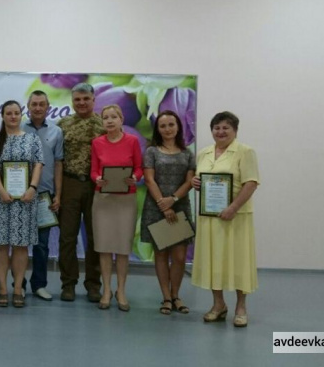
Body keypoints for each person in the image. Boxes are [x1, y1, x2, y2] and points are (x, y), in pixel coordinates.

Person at [191, 111, 259, 328]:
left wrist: (233, 207)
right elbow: (202, 178)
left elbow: (251, 183)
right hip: (209, 217)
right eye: (216, 128)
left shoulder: (245, 152)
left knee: (239, 261)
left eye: (225, 128)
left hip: (236, 217)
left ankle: (241, 307)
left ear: (235, 130)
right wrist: (196, 182)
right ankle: (218, 304)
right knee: (214, 260)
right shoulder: (203, 153)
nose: (220, 132)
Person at [0, 100, 43, 308]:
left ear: (21, 115)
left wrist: (32, 188)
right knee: (1, 245)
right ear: (2, 116)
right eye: (8, 113)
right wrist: (1, 190)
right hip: (0, 199)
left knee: (21, 245)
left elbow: (38, 164)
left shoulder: (32, 139)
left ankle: (18, 288)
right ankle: (2, 289)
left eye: (16, 113)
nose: (12, 116)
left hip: (26, 199)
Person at [141, 110, 195, 315]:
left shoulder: (187, 153)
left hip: (180, 207)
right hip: (156, 207)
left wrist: (172, 200)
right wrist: (163, 205)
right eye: (163, 126)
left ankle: (176, 295)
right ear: (158, 129)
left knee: (180, 257)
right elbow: (149, 179)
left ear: (178, 126)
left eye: (171, 124)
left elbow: (190, 180)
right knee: (161, 254)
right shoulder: (152, 151)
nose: (167, 129)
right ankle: (165, 297)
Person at [90, 105, 143, 311]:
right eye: (105, 118)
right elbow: (94, 171)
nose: (109, 121)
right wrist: (98, 179)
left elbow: (138, 168)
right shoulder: (97, 143)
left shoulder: (132, 141)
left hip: (125, 200)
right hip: (103, 199)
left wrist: (135, 178)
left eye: (114, 117)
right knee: (104, 247)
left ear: (122, 120)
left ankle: (121, 290)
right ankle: (106, 290)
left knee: (122, 248)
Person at [57, 82, 105, 302]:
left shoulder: (105, 124)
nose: (82, 103)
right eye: (77, 99)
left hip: (97, 187)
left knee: (95, 238)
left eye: (86, 99)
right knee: (67, 237)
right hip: (70, 184)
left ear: (94, 100)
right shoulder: (62, 125)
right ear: (72, 101)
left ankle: (93, 284)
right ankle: (68, 283)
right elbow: (56, 159)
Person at [21, 91, 63, 301]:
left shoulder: (56, 131)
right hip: (19, 194)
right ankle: (18, 283)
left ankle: (39, 284)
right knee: (18, 242)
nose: (37, 108)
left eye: (41, 104)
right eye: (34, 104)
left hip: (44, 195)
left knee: (42, 244)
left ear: (48, 107)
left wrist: (58, 195)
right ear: (28, 107)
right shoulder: (17, 128)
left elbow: (58, 164)